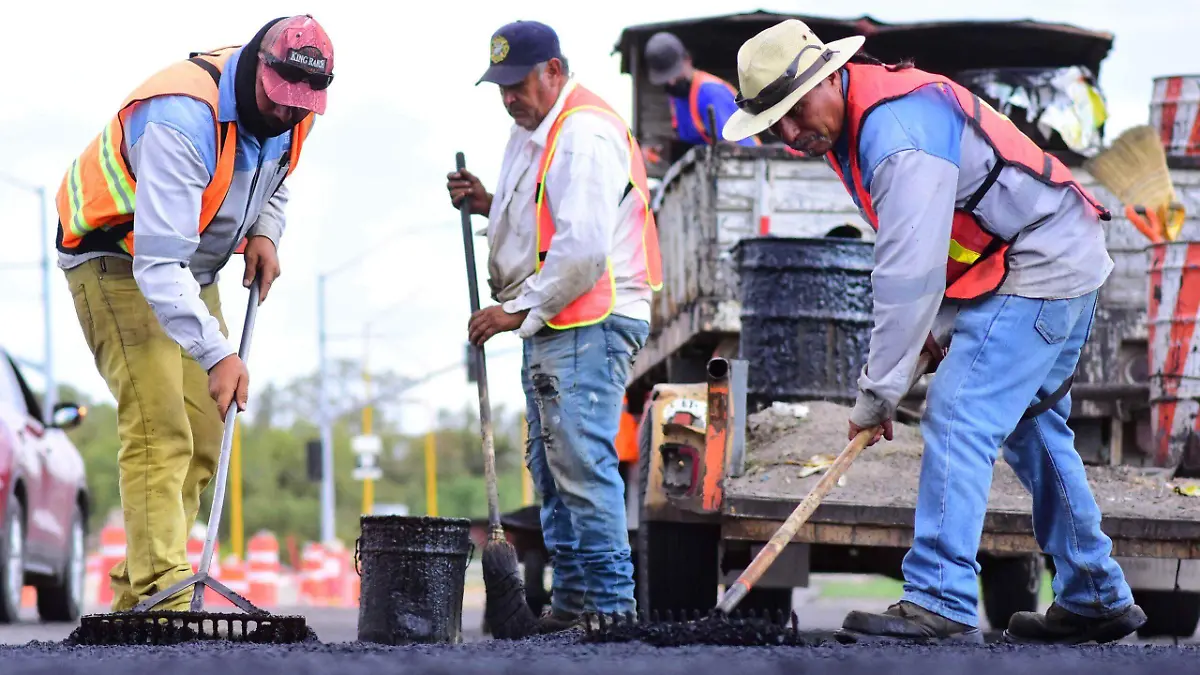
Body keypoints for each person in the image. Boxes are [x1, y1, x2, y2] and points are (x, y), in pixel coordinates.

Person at [721, 19, 1145, 645]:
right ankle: (1094, 593)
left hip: (1041, 258)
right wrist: (926, 335)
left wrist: (878, 392)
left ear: (830, 75)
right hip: (1039, 255)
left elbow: (906, 273)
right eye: (773, 125)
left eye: (794, 110)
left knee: (957, 413)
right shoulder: (857, 124)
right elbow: (936, 246)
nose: (789, 133)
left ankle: (939, 599)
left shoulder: (897, 135)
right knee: (1033, 431)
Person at [55, 15, 334, 613]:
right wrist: (219, 353)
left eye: (300, 106)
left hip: (191, 268)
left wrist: (265, 230)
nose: (287, 114)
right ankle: (164, 594)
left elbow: (275, 177)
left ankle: (139, 591)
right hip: (119, 257)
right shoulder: (180, 118)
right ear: (260, 65)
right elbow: (158, 267)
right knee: (161, 429)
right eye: (279, 99)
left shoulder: (295, 109)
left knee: (207, 433)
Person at [446, 19, 662, 632]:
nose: (510, 96)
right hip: (557, 319)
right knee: (552, 467)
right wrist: (490, 203)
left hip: (591, 318)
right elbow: (544, 213)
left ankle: (612, 609)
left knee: (580, 462)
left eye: (519, 83)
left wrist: (515, 311)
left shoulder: (584, 132)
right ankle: (572, 606)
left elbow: (583, 247)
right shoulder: (534, 130)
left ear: (555, 72)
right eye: (501, 86)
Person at [642, 31, 760, 161]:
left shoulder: (711, 92)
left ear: (687, 60)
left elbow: (729, 145)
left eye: (674, 73)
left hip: (746, 163)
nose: (671, 81)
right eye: (666, 77)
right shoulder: (676, 96)